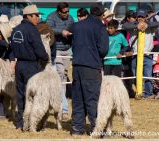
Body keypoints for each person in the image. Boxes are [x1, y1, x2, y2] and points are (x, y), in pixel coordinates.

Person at [68, 3, 109, 136]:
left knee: (78, 98)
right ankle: (96, 129)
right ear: (102, 15)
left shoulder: (77, 25)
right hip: (91, 67)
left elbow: (71, 41)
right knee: (92, 99)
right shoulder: (101, 27)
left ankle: (77, 128)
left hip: (77, 66)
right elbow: (103, 50)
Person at [10, 5, 48, 129]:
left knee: (20, 94)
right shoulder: (32, 30)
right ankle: (31, 124)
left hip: (19, 64)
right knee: (33, 95)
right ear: (29, 16)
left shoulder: (16, 29)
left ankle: (20, 124)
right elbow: (40, 50)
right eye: (36, 15)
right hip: (31, 66)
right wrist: (45, 58)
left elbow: (12, 48)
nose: (38, 17)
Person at [122, 9, 159, 99]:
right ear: (136, 17)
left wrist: (147, 25)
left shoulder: (150, 26)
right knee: (135, 74)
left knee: (147, 75)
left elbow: (158, 23)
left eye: (142, 17)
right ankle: (137, 93)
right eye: (139, 16)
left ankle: (148, 93)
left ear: (145, 17)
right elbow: (124, 25)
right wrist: (137, 26)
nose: (140, 18)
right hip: (135, 55)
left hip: (147, 54)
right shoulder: (132, 26)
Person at [46, 2, 74, 120]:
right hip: (56, 50)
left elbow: (73, 27)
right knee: (60, 76)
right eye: (64, 12)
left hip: (68, 50)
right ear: (58, 12)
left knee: (65, 75)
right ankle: (63, 108)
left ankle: (60, 104)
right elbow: (48, 28)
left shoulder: (71, 18)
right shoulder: (51, 17)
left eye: (68, 11)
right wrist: (61, 31)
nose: (67, 14)